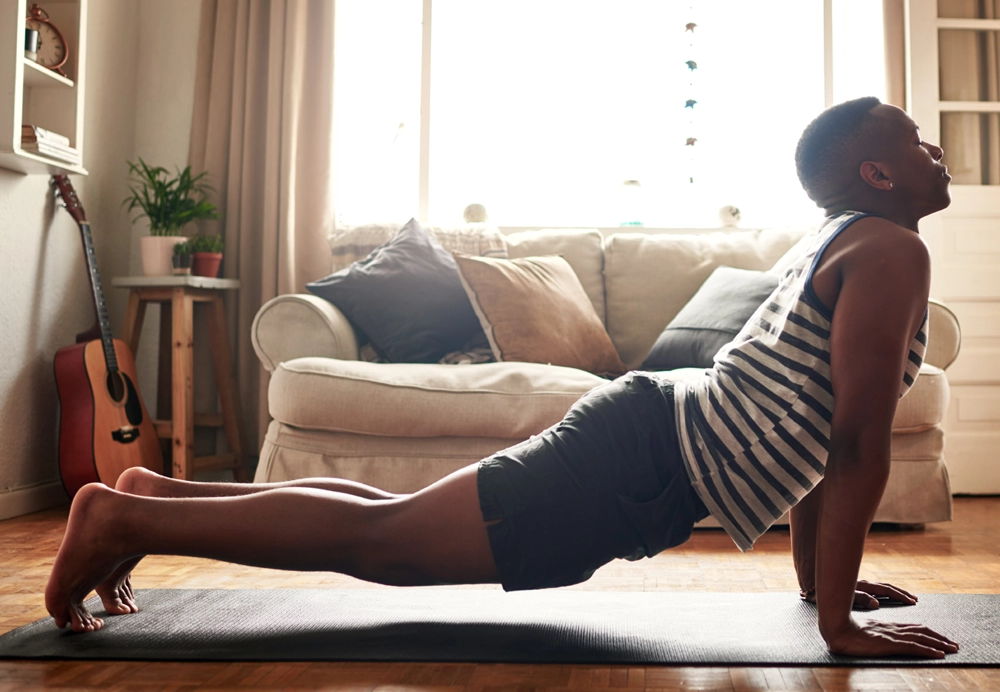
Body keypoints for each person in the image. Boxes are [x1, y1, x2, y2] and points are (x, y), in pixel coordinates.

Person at [46, 98, 960, 659]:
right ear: (877, 172)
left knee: (384, 524)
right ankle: (126, 516)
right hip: (634, 465)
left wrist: (819, 591)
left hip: (641, 449)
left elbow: (815, 428)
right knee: (386, 547)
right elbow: (853, 441)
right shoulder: (889, 252)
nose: (937, 151)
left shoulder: (850, 239)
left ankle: (152, 493)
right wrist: (838, 624)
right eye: (919, 142)